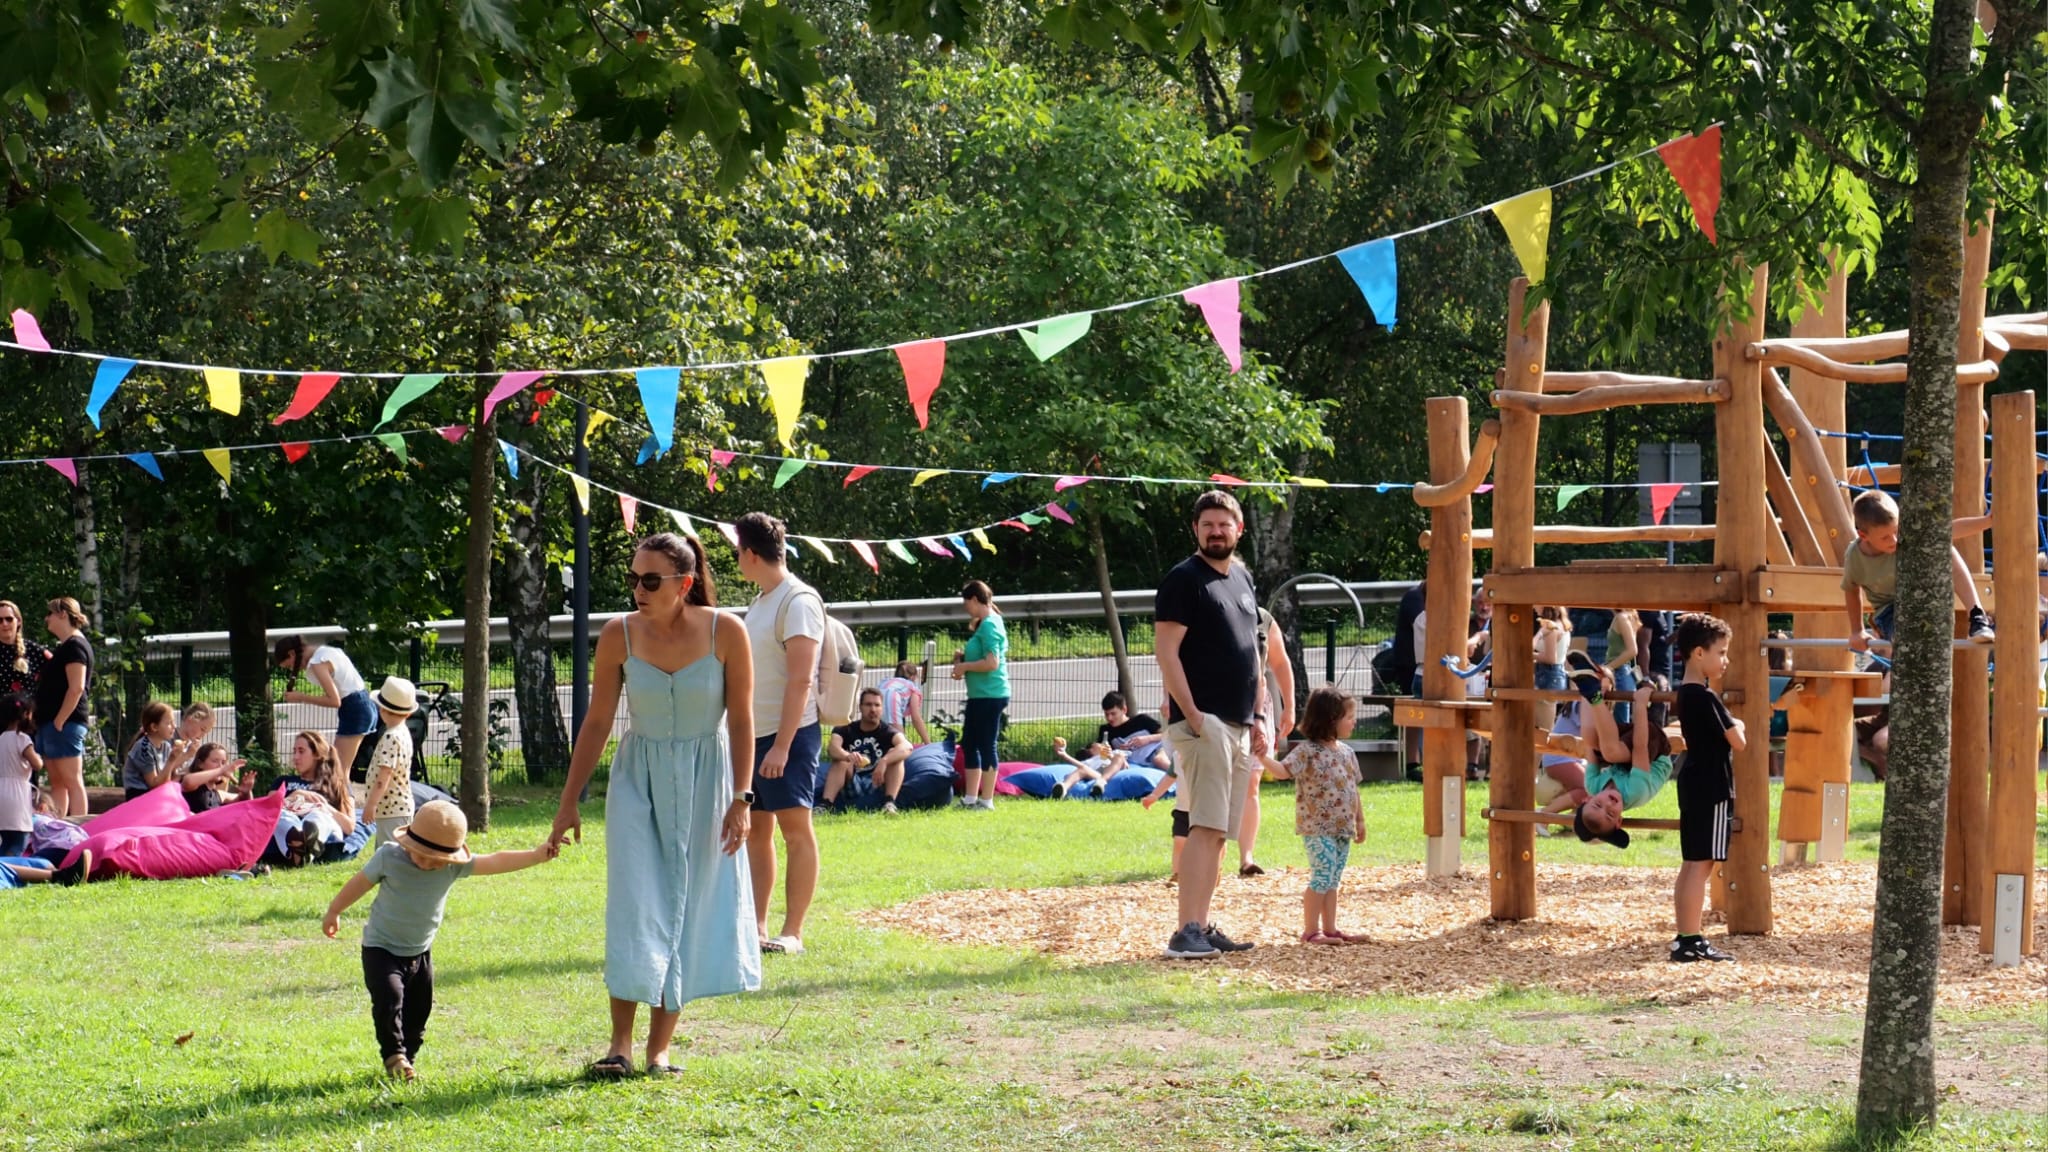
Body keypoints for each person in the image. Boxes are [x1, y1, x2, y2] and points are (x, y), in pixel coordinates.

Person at [551, 531, 759, 1078]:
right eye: (632, 579)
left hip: (707, 779)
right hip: (637, 778)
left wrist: (743, 797)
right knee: (635, 902)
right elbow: (597, 722)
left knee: (687, 904)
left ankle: (659, 1048)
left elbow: (741, 720)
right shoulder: (618, 634)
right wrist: (568, 802)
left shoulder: (726, 631)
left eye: (650, 580)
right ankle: (619, 1045)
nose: (638, 590)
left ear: (684, 584)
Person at [324, 799, 557, 1081]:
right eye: (419, 854)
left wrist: (535, 855)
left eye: (434, 860)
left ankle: (407, 1059)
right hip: (380, 948)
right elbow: (360, 882)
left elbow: (495, 860)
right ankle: (394, 1055)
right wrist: (335, 910)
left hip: (420, 952)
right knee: (389, 999)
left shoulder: (452, 867)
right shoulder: (389, 856)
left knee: (420, 1010)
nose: (424, 862)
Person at [1154, 490, 1263, 960]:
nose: (1216, 532)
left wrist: (1258, 715)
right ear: (1196, 531)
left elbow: (1253, 651)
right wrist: (1195, 717)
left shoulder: (1240, 577)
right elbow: (1166, 652)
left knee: (1221, 831)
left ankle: (1203, 923)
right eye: (1208, 525)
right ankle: (1186, 931)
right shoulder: (1184, 580)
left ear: (1239, 530)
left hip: (1240, 725)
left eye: (1225, 524)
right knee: (1204, 826)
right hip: (1206, 726)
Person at [735, 512, 822, 957]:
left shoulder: (798, 601)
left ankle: (794, 932)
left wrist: (783, 746)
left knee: (795, 829)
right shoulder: (761, 600)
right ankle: (758, 926)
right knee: (757, 832)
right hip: (755, 735)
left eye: (737, 551)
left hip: (788, 737)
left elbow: (800, 680)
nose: (737, 559)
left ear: (751, 554)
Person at [1670, 613, 1745, 963]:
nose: (1725, 660)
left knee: (1692, 864)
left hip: (1693, 781)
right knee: (1702, 865)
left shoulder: (1684, 694)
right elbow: (1739, 740)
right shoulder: (1705, 697)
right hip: (1712, 786)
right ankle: (1691, 939)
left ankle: (1686, 937)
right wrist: (1739, 723)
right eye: (1721, 652)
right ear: (1698, 653)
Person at [1842, 488, 1993, 650]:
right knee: (1910, 639)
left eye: (1896, 531)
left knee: (1942, 544)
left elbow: (1949, 530)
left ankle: (1977, 616)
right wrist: (1857, 630)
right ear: (1864, 536)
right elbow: (1851, 589)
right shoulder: (1855, 556)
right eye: (1885, 537)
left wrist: (1987, 521)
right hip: (1890, 611)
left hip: (1921, 596)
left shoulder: (1908, 533)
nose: (1894, 540)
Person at [1280, 686, 1366, 945]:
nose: (1354, 721)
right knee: (1323, 873)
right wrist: (1262, 757)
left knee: (1333, 878)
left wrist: (1360, 820)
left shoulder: (1347, 752)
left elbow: (1354, 788)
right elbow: (1284, 771)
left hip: (1343, 827)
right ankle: (1310, 931)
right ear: (1331, 719)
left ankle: (1330, 928)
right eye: (1349, 717)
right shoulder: (1307, 751)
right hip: (1317, 827)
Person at [1564, 685, 1674, 841]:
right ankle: (1594, 697)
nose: (1608, 805)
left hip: (1624, 755)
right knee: (1610, 753)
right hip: (1655, 751)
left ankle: (1592, 687)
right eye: (1611, 814)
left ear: (1588, 799)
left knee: (1590, 738)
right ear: (1619, 821)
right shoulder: (1636, 791)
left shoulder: (1592, 785)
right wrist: (1640, 704)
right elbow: (1640, 747)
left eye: (1598, 805)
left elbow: (1589, 745)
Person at [1237, 607, 1296, 877]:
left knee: (1252, 783)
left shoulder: (1262, 617)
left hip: (1257, 706)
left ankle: (1246, 857)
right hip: (1219, 705)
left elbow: (1280, 662)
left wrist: (1290, 706)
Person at [274, 636, 379, 775]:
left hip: (354, 709)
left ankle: (344, 797)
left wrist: (301, 697)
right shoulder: (328, 651)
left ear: (292, 654)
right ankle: (344, 796)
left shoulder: (317, 663)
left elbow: (335, 701)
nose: (293, 669)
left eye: (289, 665)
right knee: (340, 770)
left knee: (337, 771)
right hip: (364, 703)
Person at [951, 580, 1009, 810]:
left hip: (990, 695)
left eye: (967, 604)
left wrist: (965, 667)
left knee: (986, 745)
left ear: (975, 600)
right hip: (980, 695)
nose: (967, 609)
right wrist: (963, 656)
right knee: (969, 743)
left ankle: (987, 800)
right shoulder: (986, 623)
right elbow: (983, 655)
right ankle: (970, 798)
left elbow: (992, 663)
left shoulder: (990, 625)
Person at [33, 597, 92, 820]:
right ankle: (60, 827)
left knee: (72, 780)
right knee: (57, 782)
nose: (47, 619)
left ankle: (80, 829)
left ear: (63, 615)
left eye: (50, 613)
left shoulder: (75, 646)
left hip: (65, 723)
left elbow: (76, 688)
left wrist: (60, 720)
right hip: (52, 722)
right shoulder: (65, 646)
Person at [1052, 691, 1162, 798]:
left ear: (1124, 710)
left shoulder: (1142, 721)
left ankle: (1101, 782)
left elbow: (1168, 735)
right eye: (1106, 714)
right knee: (1112, 759)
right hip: (1115, 762)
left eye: (1113, 714)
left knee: (1158, 758)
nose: (1109, 718)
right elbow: (1102, 757)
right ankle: (1063, 788)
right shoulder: (1105, 731)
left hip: (1148, 754)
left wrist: (1148, 739)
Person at [823, 687, 910, 813]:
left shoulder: (888, 731)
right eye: (868, 705)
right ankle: (825, 805)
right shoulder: (845, 729)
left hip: (877, 781)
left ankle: (889, 804)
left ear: (882, 708)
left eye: (877, 705)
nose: (873, 709)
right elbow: (832, 748)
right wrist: (848, 756)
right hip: (851, 782)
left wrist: (884, 761)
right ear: (860, 707)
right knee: (840, 761)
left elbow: (907, 746)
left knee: (895, 756)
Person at [361, 678, 420, 847]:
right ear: (408, 713)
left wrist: (371, 805)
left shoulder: (390, 737)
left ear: (382, 710)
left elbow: (383, 777)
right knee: (388, 853)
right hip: (396, 807)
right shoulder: (403, 732)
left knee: (390, 856)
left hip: (391, 809)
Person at [0, 694, 36, 856]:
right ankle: (6, 872)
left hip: (1, 790)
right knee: (19, 841)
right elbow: (37, 763)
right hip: (17, 795)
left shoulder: (1, 738)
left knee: (6, 840)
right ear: (25, 715)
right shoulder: (22, 739)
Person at [121, 701, 178, 801]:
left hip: (153, 794)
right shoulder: (144, 748)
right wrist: (171, 760)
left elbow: (165, 779)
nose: (174, 726)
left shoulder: (166, 746)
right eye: (169, 723)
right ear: (154, 727)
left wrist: (187, 755)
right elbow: (153, 784)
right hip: (139, 795)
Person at [179, 742, 252, 813]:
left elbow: (246, 803)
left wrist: (246, 792)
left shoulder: (219, 794)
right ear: (200, 764)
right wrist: (222, 770)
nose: (220, 766)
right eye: (215, 761)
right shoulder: (193, 786)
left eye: (223, 762)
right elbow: (188, 781)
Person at [0, 600, 50, 700]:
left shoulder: (35, 650)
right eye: (0, 620)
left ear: (18, 621)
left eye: (9, 619)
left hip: (28, 713)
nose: (4, 624)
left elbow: (60, 674)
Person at [876, 661, 931, 745]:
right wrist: (928, 742)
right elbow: (916, 718)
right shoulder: (912, 687)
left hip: (877, 698)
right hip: (893, 699)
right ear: (913, 677)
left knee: (878, 735)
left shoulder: (887, 681)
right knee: (899, 742)